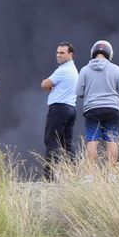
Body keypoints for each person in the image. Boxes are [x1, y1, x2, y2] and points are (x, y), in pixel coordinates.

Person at [76, 40, 119, 169]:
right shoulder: (117, 69)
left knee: (92, 140)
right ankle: (112, 173)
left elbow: (78, 92)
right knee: (112, 139)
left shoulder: (84, 70)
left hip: (92, 109)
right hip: (112, 109)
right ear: (109, 53)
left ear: (93, 52)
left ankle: (90, 173)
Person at [40, 41, 78, 178]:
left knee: (52, 141)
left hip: (59, 108)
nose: (58, 55)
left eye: (62, 53)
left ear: (71, 54)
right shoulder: (73, 69)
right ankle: (73, 174)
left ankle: (49, 176)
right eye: (57, 52)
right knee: (66, 144)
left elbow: (45, 84)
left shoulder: (63, 70)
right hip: (70, 108)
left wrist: (48, 86)